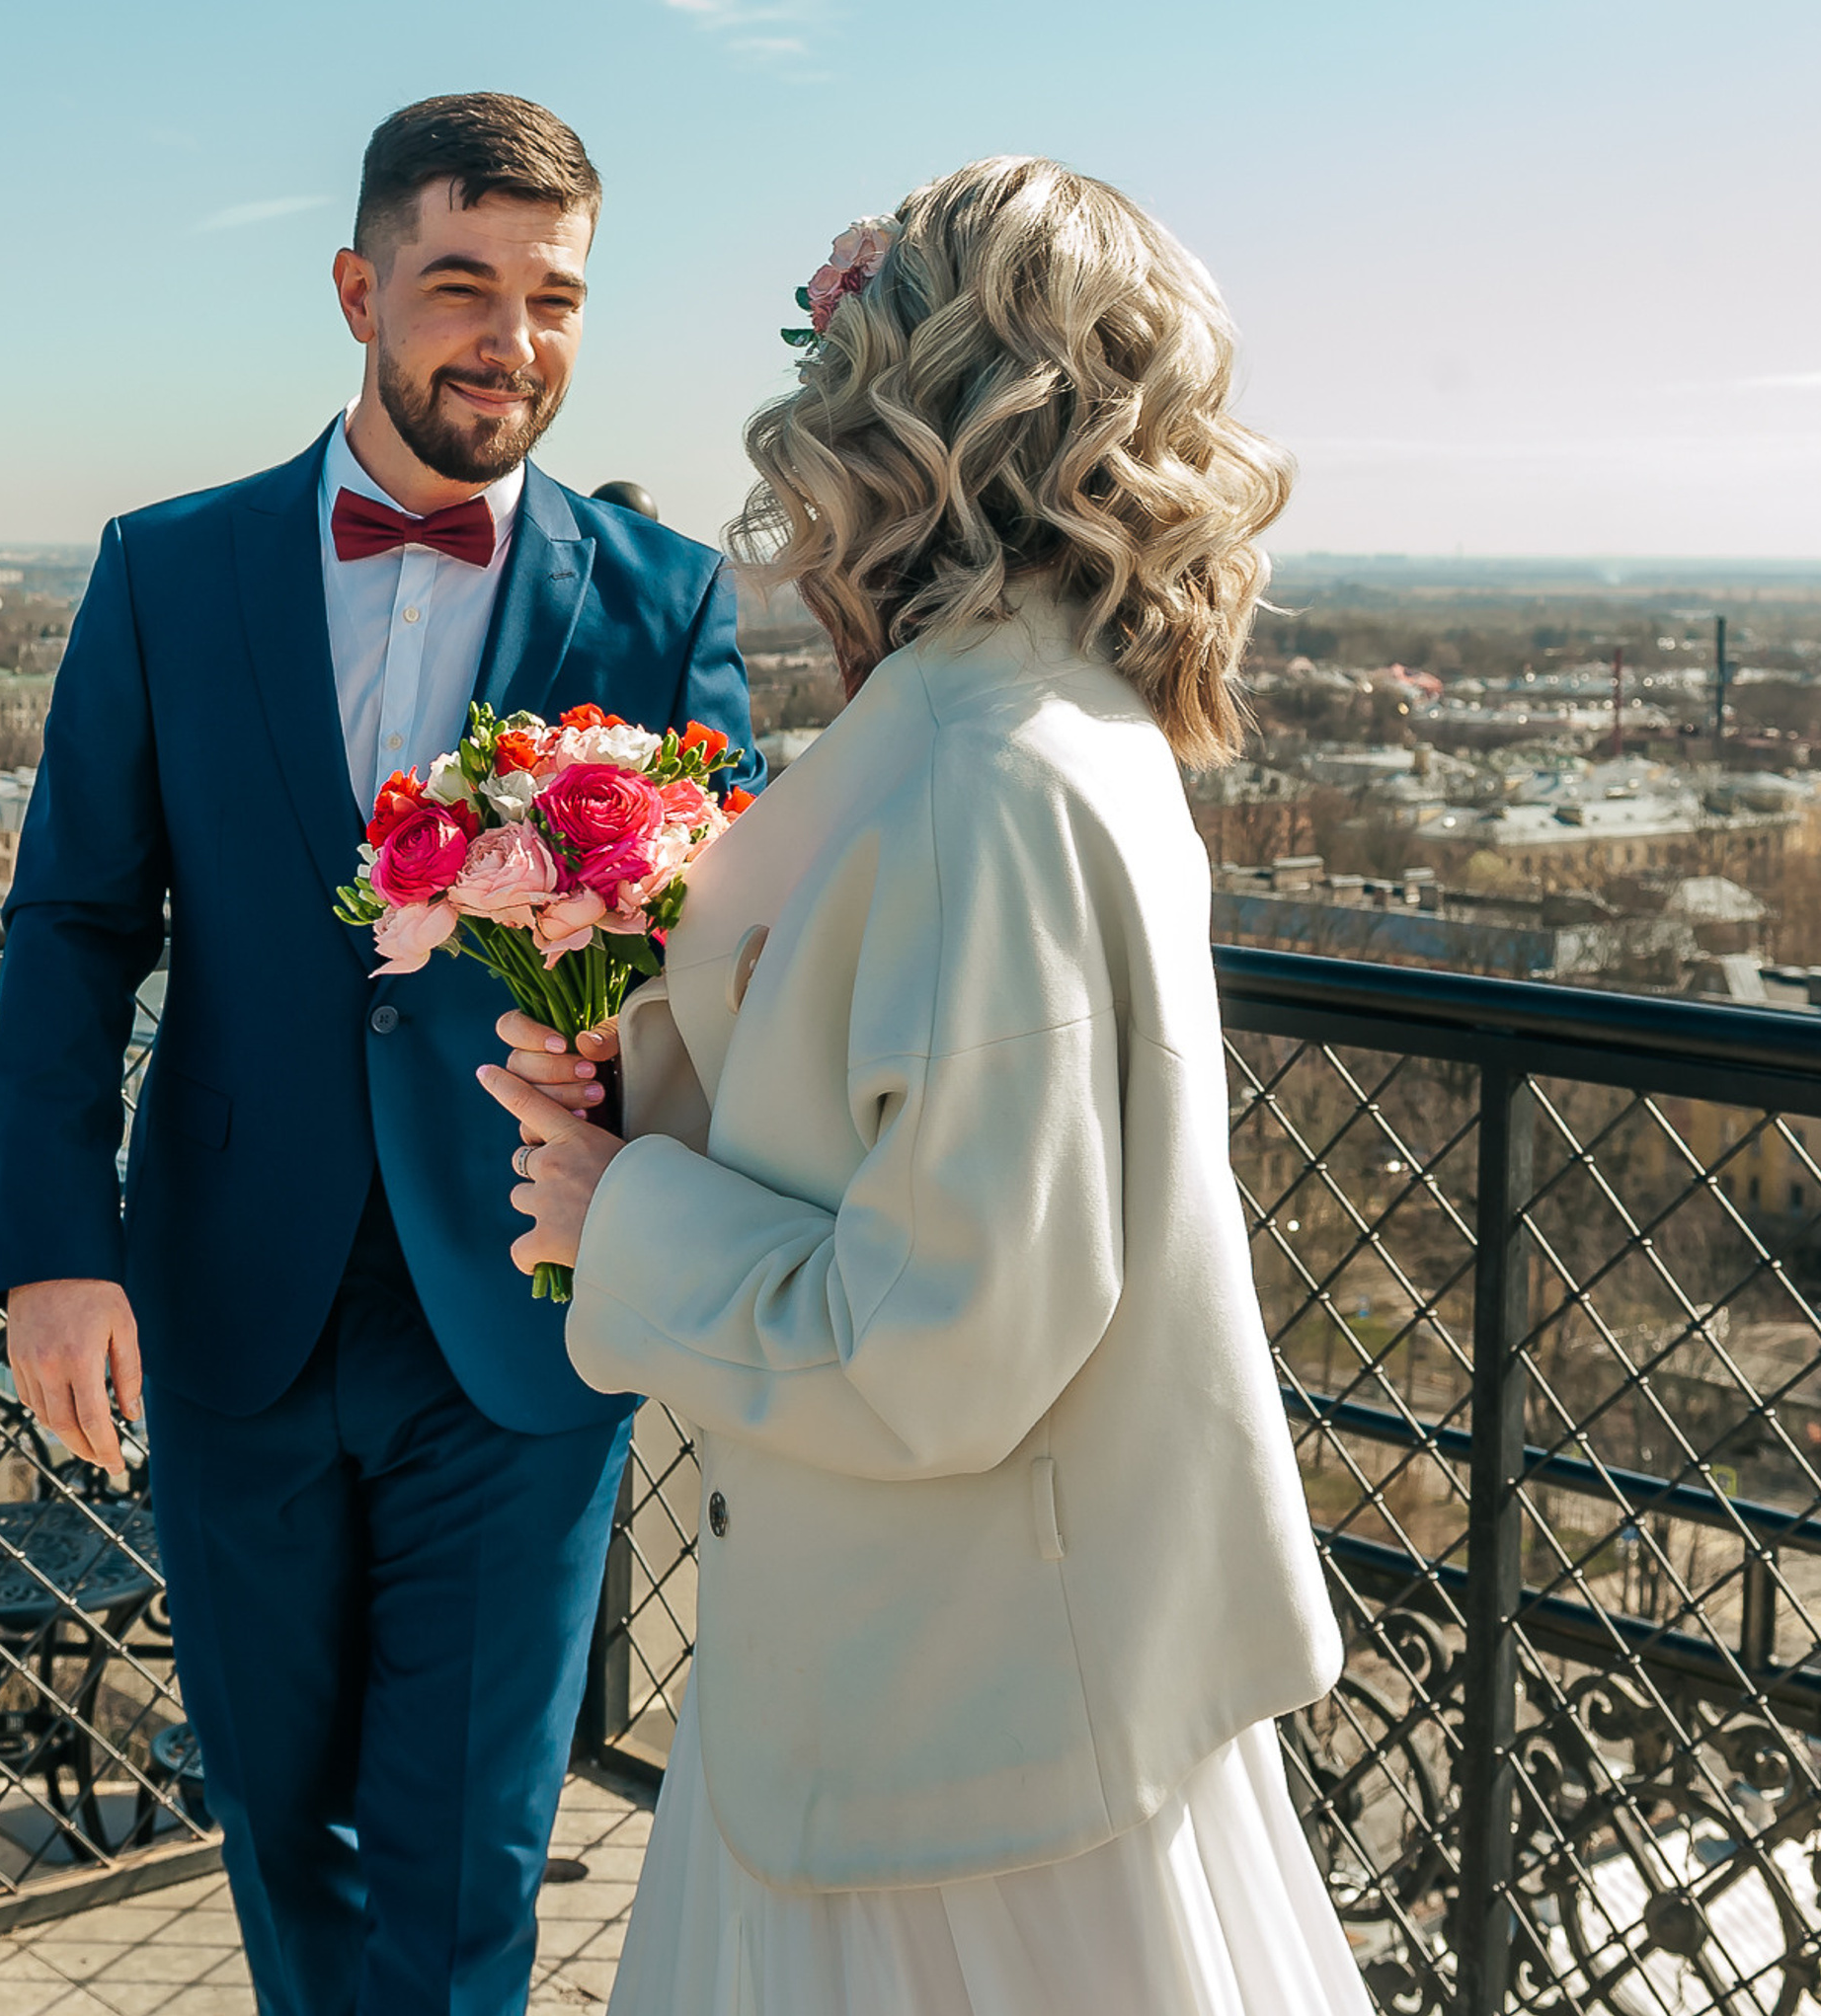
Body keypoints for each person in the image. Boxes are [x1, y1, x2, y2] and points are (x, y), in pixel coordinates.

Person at [482, 157, 1367, 2014]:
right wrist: (661, 1094)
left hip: (953, 1740)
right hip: (990, 1665)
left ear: (904, 419)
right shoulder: (1049, 719)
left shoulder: (987, 772)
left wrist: (624, 1214)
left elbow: (943, 1342)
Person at [0, 92, 761, 2016]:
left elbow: (723, 950)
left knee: (467, 1848)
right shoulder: (168, 568)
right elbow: (76, 921)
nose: (512, 339)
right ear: (357, 291)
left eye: (554, 298)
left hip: (519, 1302)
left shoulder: (660, 597)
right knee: (277, 1818)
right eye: (462, 286)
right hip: (230, 1298)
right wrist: (54, 1248)